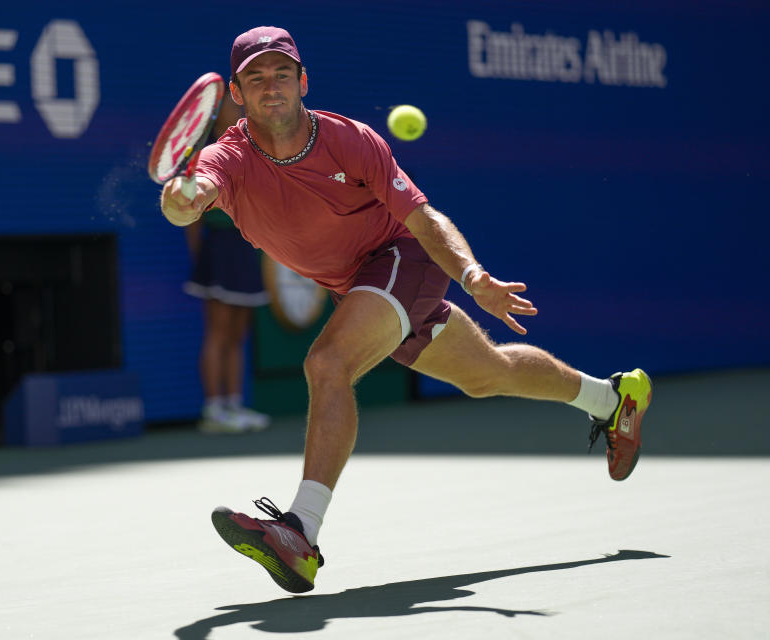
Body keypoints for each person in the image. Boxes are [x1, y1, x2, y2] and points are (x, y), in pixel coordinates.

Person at [160, 26, 652, 594]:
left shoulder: (351, 140)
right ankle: (614, 398)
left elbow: (424, 220)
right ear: (238, 95)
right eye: (256, 78)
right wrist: (182, 199)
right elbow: (187, 204)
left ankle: (300, 532)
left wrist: (471, 276)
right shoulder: (228, 158)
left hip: (402, 257)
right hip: (360, 286)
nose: (271, 86)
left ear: (302, 81)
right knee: (488, 375)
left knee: (327, 364)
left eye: (282, 74)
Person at [183, 90, 271, 434]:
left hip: (245, 246)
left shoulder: (252, 149)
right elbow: (190, 211)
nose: (240, 109)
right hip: (218, 247)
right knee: (218, 331)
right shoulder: (205, 153)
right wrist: (201, 254)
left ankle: (233, 405)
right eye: (234, 105)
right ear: (215, 114)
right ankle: (213, 409)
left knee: (238, 332)